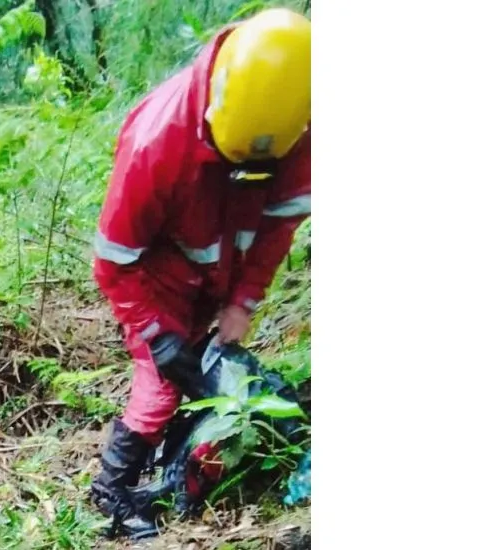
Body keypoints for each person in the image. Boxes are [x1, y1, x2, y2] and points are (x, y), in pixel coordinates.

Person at [89, 8, 311, 539]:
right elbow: (114, 260)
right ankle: (111, 491)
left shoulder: (297, 123)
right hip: (157, 279)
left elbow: (277, 230)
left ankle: (173, 458)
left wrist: (243, 302)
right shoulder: (155, 144)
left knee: (203, 372)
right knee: (163, 383)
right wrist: (154, 335)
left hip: (217, 279)